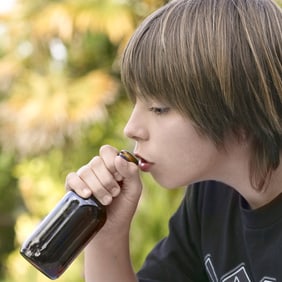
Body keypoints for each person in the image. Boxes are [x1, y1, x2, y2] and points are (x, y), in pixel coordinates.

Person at [65, 0, 282, 280]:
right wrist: (107, 235)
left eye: (159, 108)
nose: (131, 129)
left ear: (239, 106)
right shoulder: (212, 197)